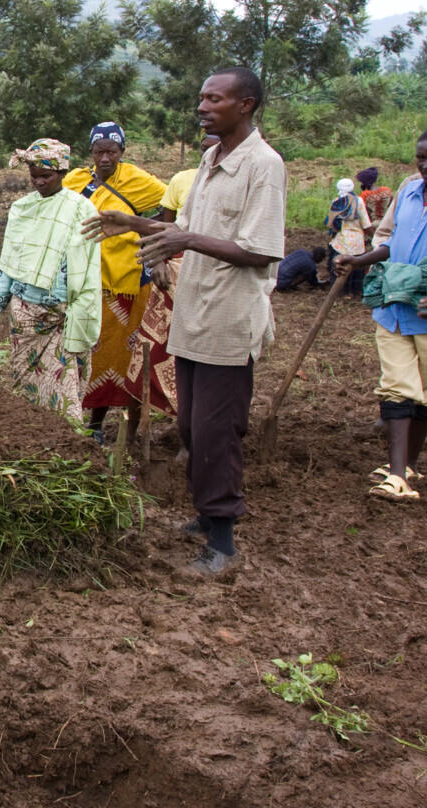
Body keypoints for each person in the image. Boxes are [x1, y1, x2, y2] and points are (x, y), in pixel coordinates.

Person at [84, 67, 286, 578]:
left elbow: (260, 251)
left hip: (228, 319)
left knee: (217, 431)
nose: (202, 106)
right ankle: (204, 517)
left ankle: (223, 541)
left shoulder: (263, 166)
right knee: (194, 426)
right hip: (193, 315)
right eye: (201, 97)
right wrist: (132, 223)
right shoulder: (211, 159)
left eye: (213, 98)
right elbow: (187, 229)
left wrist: (185, 241)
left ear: (246, 105)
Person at [333, 124, 427, 502]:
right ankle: (397, 476)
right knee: (396, 387)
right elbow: (391, 241)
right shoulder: (408, 191)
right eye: (421, 158)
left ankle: (408, 466)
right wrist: (359, 260)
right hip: (393, 305)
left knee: (426, 395)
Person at [0, 140, 101, 421]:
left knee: (63, 380)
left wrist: (82, 308)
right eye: (33, 176)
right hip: (25, 313)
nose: (38, 182)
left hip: (62, 312)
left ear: (63, 173)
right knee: (26, 377)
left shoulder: (81, 209)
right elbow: (9, 260)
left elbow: (89, 266)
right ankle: (30, 428)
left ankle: (65, 435)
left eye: (45, 176)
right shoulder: (21, 208)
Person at [64, 122, 166, 444]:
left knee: (122, 358)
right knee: (82, 352)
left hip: (125, 283)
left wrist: (150, 238)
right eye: (98, 151)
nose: (105, 157)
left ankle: (122, 427)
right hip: (83, 280)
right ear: (91, 152)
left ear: (122, 151)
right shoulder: (76, 180)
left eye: (111, 151)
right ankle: (83, 422)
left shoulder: (139, 182)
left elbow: (174, 206)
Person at [125, 134, 218, 420]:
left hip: (215, 283)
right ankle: (132, 432)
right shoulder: (183, 180)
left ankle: (189, 432)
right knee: (148, 353)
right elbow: (165, 231)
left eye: (214, 148)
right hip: (173, 279)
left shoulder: (244, 181)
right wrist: (159, 262)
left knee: (198, 361)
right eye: (204, 149)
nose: (209, 155)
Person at [326, 178, 373, 297]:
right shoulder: (359, 201)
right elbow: (366, 223)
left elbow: (332, 223)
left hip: (341, 241)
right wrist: (374, 235)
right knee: (356, 266)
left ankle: (339, 292)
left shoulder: (336, 202)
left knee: (337, 266)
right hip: (357, 241)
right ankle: (354, 291)